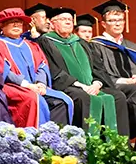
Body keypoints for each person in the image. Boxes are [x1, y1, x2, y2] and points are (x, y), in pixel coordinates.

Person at [37, 7, 126, 135]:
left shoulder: (81, 42)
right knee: (83, 97)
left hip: (91, 85)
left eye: (69, 19)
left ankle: (120, 145)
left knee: (118, 96)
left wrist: (97, 83)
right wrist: (80, 85)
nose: (68, 22)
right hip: (68, 86)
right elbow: (52, 69)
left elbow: (98, 68)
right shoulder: (45, 42)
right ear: (52, 23)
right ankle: (86, 145)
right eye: (63, 19)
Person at [0, 8, 73, 127]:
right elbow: (2, 69)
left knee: (64, 101)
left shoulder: (30, 44)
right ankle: (33, 139)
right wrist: (27, 85)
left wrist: (41, 84)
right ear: (1, 25)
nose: (17, 24)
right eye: (11, 21)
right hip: (11, 86)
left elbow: (42, 65)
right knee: (33, 99)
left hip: (35, 86)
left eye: (19, 21)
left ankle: (55, 139)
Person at [87, 0, 136, 138]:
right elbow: (98, 72)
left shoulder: (131, 46)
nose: (118, 23)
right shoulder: (96, 45)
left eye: (120, 19)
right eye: (112, 20)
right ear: (103, 24)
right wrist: (125, 81)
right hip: (110, 85)